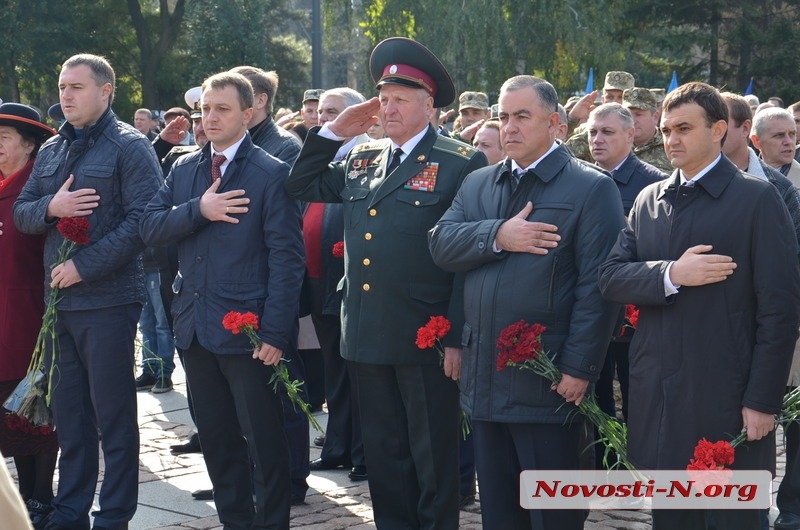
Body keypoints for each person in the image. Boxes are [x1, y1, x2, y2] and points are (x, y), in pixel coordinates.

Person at [285, 37, 487, 529]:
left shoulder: (460, 161)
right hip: (366, 330)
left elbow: (466, 257)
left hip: (427, 333)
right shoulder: (362, 158)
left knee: (432, 456)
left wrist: (457, 335)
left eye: (400, 98)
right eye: (382, 97)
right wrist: (332, 132)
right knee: (384, 454)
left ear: (429, 104)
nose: (388, 108)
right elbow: (299, 184)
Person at [598, 82, 800, 530]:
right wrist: (670, 274)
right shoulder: (649, 201)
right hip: (663, 398)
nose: (671, 139)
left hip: (728, 399)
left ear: (719, 130)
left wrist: (763, 400)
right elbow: (610, 277)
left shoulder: (758, 198)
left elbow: (780, 311)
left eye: (684, 128)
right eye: (667, 130)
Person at [429, 74, 625, 530]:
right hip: (485, 378)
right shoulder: (478, 183)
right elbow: (440, 244)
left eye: (522, 116)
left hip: (548, 380)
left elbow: (598, 288)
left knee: (552, 515)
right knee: (500, 514)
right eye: (503, 116)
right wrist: (498, 234)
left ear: (555, 123)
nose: (509, 127)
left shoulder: (591, 188)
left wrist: (579, 368)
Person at [140, 71, 305, 528]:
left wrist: (274, 332)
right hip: (194, 329)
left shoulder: (271, 173)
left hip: (249, 334)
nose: (209, 118)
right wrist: (199, 210)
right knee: (216, 440)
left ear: (248, 114)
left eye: (222, 109)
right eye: (204, 110)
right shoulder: (185, 167)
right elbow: (150, 228)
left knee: (264, 442)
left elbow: (287, 261)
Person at [13, 53, 162, 530]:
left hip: (110, 300)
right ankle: (70, 511)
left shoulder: (130, 146)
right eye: (62, 87)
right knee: (71, 418)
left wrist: (84, 266)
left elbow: (144, 222)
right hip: (60, 307)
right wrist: (52, 208)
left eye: (77, 87)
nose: (66, 95)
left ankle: (114, 514)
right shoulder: (53, 150)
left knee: (113, 417)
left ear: (106, 91)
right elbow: (22, 212)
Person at [586, 103, 666, 438]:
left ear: (631, 135)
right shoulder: (581, 181)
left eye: (607, 132)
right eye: (592, 132)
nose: (597, 140)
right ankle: (604, 476)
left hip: (634, 315)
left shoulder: (654, 185)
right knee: (595, 399)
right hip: (590, 308)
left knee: (639, 398)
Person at [304, 87, 368, 483]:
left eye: (334, 112)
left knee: (358, 373)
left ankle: (363, 451)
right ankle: (337, 445)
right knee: (334, 371)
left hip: (350, 283)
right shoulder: (321, 155)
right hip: (317, 280)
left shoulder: (367, 155)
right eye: (322, 112)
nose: (325, 118)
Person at [0, 103, 58, 528]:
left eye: (3, 139)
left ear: (30, 144)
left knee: (32, 408)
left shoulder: (35, 193)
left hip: (28, 315)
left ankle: (41, 494)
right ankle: (20, 492)